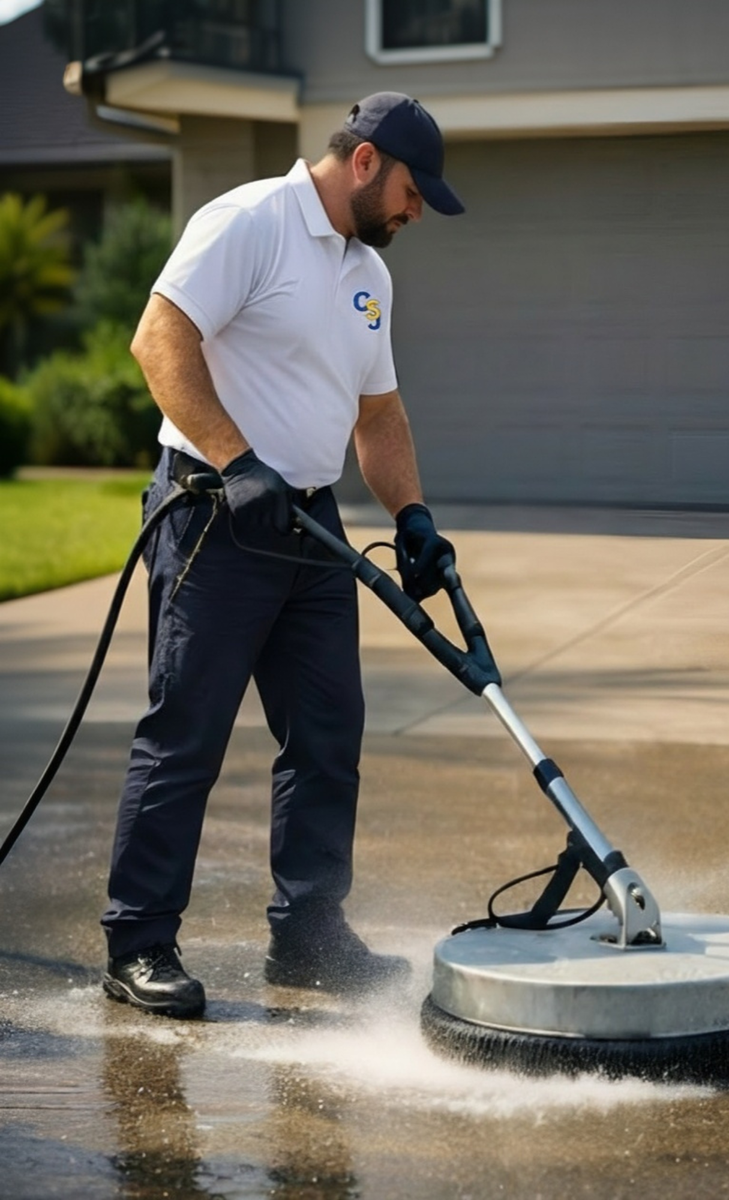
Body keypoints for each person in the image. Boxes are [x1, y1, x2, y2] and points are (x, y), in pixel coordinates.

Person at [100, 94, 463, 1018]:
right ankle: (138, 942)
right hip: (214, 515)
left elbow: (377, 413)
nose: (418, 210)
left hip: (309, 525)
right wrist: (235, 461)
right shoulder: (249, 220)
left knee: (328, 733)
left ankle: (308, 934)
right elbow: (159, 340)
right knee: (187, 732)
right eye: (415, 190)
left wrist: (412, 515)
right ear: (367, 161)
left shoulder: (368, 273)